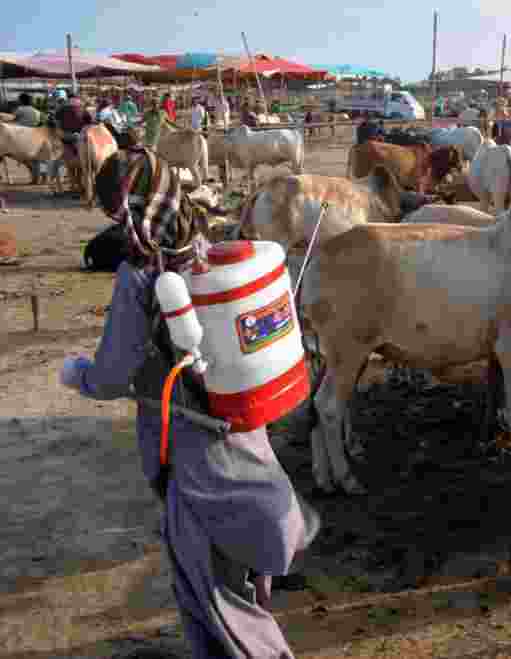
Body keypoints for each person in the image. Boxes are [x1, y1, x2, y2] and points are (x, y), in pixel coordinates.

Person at [59, 147, 320, 658]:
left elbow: (113, 376)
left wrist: (79, 377)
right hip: (247, 439)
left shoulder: (141, 277)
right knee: (243, 580)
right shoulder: (212, 247)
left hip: (194, 460)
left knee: (216, 599)